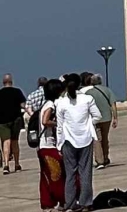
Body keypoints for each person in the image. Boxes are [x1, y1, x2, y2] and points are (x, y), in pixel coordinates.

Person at [51, 74, 99, 211]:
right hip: (86, 139)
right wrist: (88, 124)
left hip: (68, 141)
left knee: (70, 174)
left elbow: (60, 126)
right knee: (85, 173)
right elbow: (97, 116)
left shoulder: (61, 103)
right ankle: (86, 203)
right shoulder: (87, 99)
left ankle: (70, 203)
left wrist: (59, 145)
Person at [36, 79, 64, 209]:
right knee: (56, 175)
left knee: (45, 177)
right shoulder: (50, 105)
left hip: (42, 147)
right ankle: (61, 200)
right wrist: (58, 123)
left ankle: (47, 203)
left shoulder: (45, 104)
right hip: (48, 146)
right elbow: (45, 121)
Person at [84, 75, 116, 171]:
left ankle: (100, 161)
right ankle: (105, 157)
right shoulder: (107, 90)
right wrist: (115, 118)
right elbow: (113, 105)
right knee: (105, 138)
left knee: (97, 139)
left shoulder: (88, 93)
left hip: (95, 119)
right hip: (107, 118)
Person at [0, 74, 26, 174]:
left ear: (3, 82)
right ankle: (17, 164)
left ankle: (6, 165)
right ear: (11, 82)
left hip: (2, 121)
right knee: (15, 142)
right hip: (16, 119)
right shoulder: (17, 91)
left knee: (6, 142)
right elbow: (23, 105)